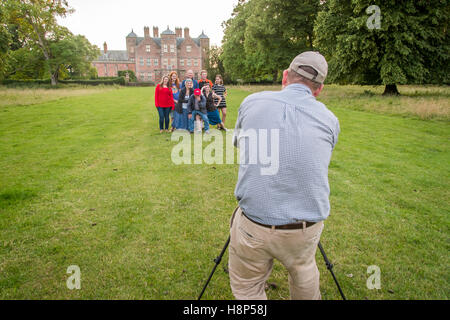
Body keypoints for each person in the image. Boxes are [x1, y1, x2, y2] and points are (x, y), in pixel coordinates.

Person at [229, 51, 340, 300]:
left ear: (285, 76)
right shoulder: (330, 120)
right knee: (304, 272)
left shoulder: (252, 102)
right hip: (305, 228)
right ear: (319, 89)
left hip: (254, 224)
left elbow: (239, 142)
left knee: (247, 287)